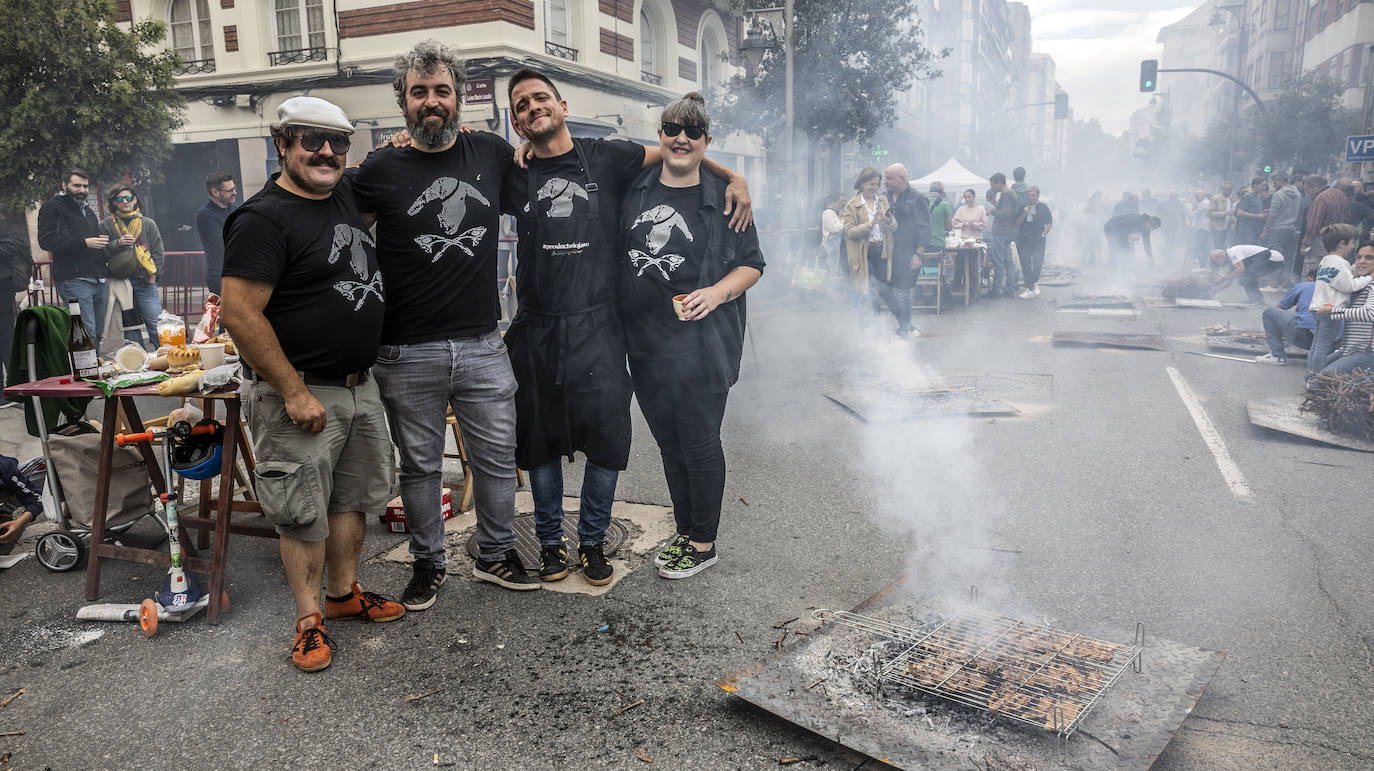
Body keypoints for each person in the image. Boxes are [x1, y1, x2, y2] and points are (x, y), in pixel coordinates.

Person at [502, 68, 751, 586]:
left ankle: (594, 544)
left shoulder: (608, 157)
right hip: (546, 328)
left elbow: (686, 152)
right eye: (521, 105)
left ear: (563, 104)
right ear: (516, 121)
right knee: (540, 441)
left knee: (610, 438)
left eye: (541, 98)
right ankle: (550, 545)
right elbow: (680, 147)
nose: (532, 108)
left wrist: (736, 179)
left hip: (603, 328)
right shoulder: (511, 170)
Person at [220, 96, 406, 673]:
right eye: (311, 140)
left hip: (358, 386)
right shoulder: (261, 219)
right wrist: (293, 391)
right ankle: (308, 620)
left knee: (353, 499)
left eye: (338, 142)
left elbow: (389, 162)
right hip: (296, 392)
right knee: (301, 509)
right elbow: (239, 313)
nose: (327, 152)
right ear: (283, 144)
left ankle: (343, 595)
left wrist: (402, 140)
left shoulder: (344, 192)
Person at [350, 40, 540, 606]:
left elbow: (558, 171)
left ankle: (495, 552)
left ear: (459, 97)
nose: (431, 101)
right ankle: (428, 561)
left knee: (497, 460)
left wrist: (726, 173)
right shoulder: (380, 167)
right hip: (406, 349)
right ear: (403, 101)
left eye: (441, 91)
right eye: (419, 92)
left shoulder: (493, 154)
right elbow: (342, 234)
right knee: (421, 468)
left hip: (484, 342)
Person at [619, 92, 764, 579]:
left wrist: (717, 293)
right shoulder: (633, 186)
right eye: (673, 129)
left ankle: (703, 543)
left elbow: (752, 264)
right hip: (644, 345)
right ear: (660, 135)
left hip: (702, 348)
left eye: (693, 132)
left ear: (707, 141)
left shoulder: (724, 200)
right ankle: (686, 530)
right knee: (668, 445)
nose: (682, 138)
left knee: (699, 443)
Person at [37, 168, 108, 349]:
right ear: (64, 185)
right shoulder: (52, 207)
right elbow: (46, 241)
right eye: (77, 185)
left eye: (85, 186)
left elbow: (90, 242)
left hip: (98, 278)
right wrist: (83, 242)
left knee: (98, 332)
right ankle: (86, 375)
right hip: (74, 280)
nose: (82, 190)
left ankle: (93, 371)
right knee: (85, 333)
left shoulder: (88, 210)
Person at [97, 185, 164, 348]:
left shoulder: (148, 224)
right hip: (120, 284)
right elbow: (100, 253)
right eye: (120, 199)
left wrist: (153, 276)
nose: (125, 201)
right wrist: (117, 244)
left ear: (135, 200)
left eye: (128, 198)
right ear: (114, 203)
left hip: (144, 281)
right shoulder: (106, 225)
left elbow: (158, 251)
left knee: (156, 326)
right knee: (130, 330)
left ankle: (168, 359)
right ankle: (137, 366)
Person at [1307, 223, 1368, 377]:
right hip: (1330, 311)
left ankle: (1311, 372)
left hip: (1318, 308)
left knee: (1316, 344)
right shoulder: (1341, 263)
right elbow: (1349, 285)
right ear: (1342, 243)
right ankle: (1318, 377)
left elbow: (1341, 278)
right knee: (1323, 346)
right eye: (1352, 243)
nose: (1353, 247)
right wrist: (1369, 277)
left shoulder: (1326, 260)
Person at [842, 168, 899, 319]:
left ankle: (884, 323)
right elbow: (850, 232)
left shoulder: (883, 200)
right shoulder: (852, 205)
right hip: (863, 253)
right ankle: (871, 326)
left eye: (877, 184)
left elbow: (894, 227)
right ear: (861, 183)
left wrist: (887, 220)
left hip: (882, 250)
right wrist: (871, 223)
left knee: (882, 288)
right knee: (871, 288)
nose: (874, 188)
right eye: (871, 184)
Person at [883, 163, 929, 336]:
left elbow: (925, 229)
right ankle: (905, 325)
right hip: (887, 254)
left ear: (902, 178)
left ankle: (905, 328)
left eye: (889, 178)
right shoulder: (883, 198)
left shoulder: (917, 199)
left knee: (902, 292)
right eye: (885, 178)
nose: (885, 182)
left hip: (909, 253)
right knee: (886, 291)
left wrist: (918, 254)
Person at [1256, 269, 1317, 365]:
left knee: (1269, 313)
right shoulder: (1337, 290)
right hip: (1331, 345)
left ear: (1310, 278)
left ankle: (1277, 356)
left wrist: (1273, 330)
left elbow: (1278, 308)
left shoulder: (1305, 285)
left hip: (1307, 339)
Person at [196, 171, 237, 297]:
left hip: (240, 273)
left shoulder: (236, 209)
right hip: (221, 277)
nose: (234, 193)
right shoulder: (205, 214)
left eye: (234, 188)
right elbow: (222, 245)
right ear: (215, 192)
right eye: (229, 190)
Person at [1302, 176, 1349, 276]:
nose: (1307, 193)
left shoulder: (1320, 199)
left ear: (1315, 186)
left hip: (1322, 239)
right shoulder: (1341, 194)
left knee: (1313, 267)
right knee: (1332, 267)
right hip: (1338, 238)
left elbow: (1313, 224)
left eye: (1307, 189)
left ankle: (1311, 289)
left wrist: (1306, 244)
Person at [1209, 244, 1284, 305]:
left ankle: (1257, 299)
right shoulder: (1232, 260)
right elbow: (1229, 280)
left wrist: (1223, 277)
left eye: (1217, 262)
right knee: (1244, 277)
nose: (1219, 265)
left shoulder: (1233, 252)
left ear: (1220, 256)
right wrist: (1215, 290)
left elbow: (1241, 269)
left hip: (1273, 258)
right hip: (1270, 259)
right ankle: (1254, 299)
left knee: (1246, 276)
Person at [985, 173, 1019, 297]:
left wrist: (991, 210)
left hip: (1000, 232)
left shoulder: (1005, 194)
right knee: (1008, 262)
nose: (992, 187)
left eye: (992, 184)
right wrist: (995, 203)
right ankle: (1009, 289)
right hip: (1008, 232)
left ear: (999, 182)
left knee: (998, 262)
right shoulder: (1011, 193)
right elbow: (1007, 211)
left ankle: (996, 290)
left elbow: (1005, 214)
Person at [0, 452, 42, 554]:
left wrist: (19, 523)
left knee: (47, 463)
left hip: (10, 482)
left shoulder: (5, 469)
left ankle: (7, 508)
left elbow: (36, 497)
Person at [1014, 186, 1052, 298]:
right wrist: (1024, 213)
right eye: (1029, 195)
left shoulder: (1043, 207)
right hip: (1023, 240)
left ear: (1037, 196)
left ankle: (1034, 282)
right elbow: (1016, 224)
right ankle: (1029, 288)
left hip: (1038, 240)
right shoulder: (1022, 207)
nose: (1031, 197)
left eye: (1033, 195)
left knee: (1037, 263)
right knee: (1025, 264)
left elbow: (1049, 223)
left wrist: (1044, 233)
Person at [1264, 173, 1301, 279]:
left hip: (1277, 230)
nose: (1273, 185)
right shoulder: (1297, 193)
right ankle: (1285, 282)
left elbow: (1273, 214)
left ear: (1280, 180)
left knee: (1275, 255)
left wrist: (1266, 228)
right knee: (1288, 257)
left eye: (1274, 182)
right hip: (1291, 228)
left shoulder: (1278, 194)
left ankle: (1273, 282)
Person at [1234, 177, 1268, 247]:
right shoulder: (1247, 196)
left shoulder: (1257, 197)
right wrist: (1257, 216)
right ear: (1255, 185)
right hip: (1247, 230)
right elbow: (1239, 213)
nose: (1264, 188)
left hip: (1255, 229)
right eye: (1262, 185)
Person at [821, 193, 846, 277]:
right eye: (841, 201)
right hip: (830, 248)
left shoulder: (835, 213)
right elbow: (835, 229)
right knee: (829, 273)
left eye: (844, 201)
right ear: (834, 202)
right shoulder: (827, 213)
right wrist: (844, 220)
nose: (843, 204)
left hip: (835, 249)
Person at [1189, 190, 1213, 268]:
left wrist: (1194, 206)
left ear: (1204, 196)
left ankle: (1202, 264)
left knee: (1200, 245)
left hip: (1203, 228)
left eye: (1198, 195)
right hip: (1201, 227)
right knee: (1200, 245)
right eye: (1196, 195)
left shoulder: (1205, 204)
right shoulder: (1202, 203)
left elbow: (1193, 214)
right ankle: (1202, 263)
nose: (1196, 197)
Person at [927, 182, 953, 250]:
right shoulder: (945, 205)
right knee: (937, 261)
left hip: (923, 244)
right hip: (938, 243)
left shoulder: (922, 202)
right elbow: (949, 227)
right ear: (942, 192)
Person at [1207, 183, 1233, 250]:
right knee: (1218, 246)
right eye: (1226, 189)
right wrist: (1224, 213)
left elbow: (1231, 213)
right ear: (1222, 189)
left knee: (1224, 246)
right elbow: (1209, 213)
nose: (1228, 191)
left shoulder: (1231, 199)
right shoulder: (1215, 198)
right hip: (1217, 227)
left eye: (1230, 189)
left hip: (1227, 228)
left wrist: (1232, 218)